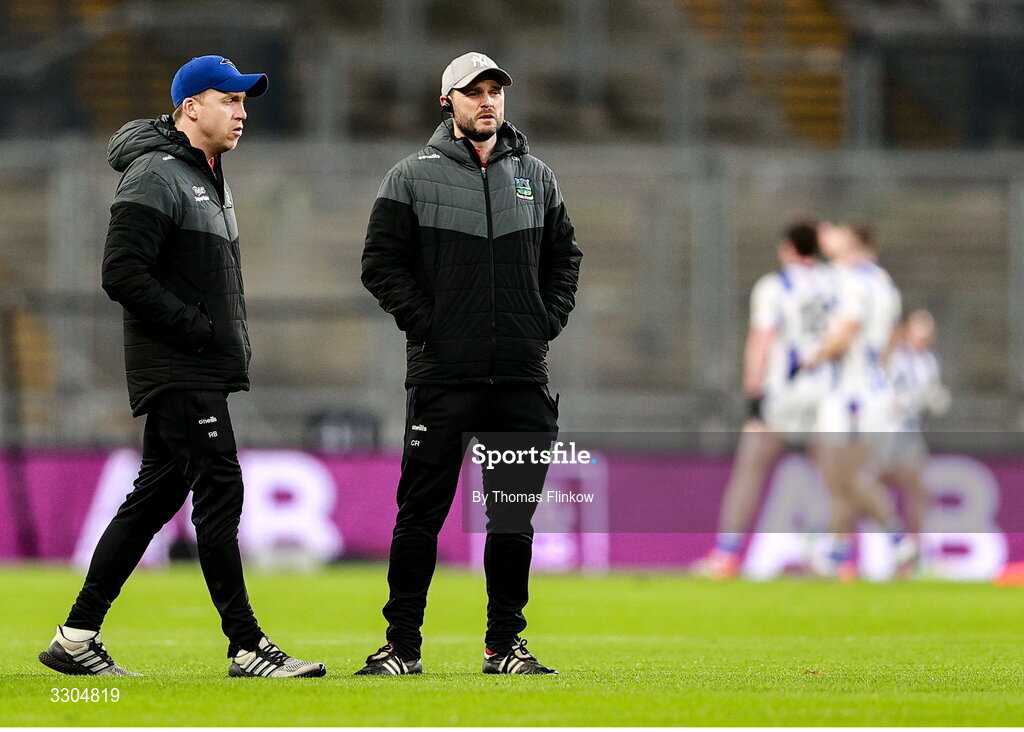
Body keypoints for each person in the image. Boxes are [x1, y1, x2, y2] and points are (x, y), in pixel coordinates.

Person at [39, 55, 325, 679]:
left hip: (193, 364)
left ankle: (76, 635)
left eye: (245, 102)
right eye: (230, 100)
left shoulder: (205, 175)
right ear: (191, 107)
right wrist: (194, 328)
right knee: (221, 489)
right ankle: (247, 647)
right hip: (178, 365)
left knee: (153, 498)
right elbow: (121, 273)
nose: (243, 112)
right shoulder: (156, 174)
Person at [359, 51, 582, 675]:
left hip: (519, 377)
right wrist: (432, 328)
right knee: (421, 518)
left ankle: (504, 645)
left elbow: (566, 259)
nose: (488, 100)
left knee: (511, 522)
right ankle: (401, 646)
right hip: (442, 379)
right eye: (473, 91)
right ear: (447, 102)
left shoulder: (537, 177)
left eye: (495, 91)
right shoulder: (410, 176)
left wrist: (543, 322)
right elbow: (380, 265)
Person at [696, 219, 832, 579]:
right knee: (834, 479)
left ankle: (726, 556)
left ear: (787, 247)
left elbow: (762, 339)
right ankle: (831, 557)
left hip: (784, 393)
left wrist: (753, 390)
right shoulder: (835, 283)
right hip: (826, 392)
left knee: (749, 472)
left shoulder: (775, 286)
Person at [804, 222, 914, 581]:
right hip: (869, 389)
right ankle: (837, 555)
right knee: (839, 479)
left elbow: (847, 331)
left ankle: (898, 538)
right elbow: (892, 337)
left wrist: (814, 356)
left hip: (851, 395)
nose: (826, 238)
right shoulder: (883, 281)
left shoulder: (853, 280)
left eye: (834, 232)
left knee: (845, 476)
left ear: (852, 240)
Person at [876, 309, 950, 555]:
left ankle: (914, 551)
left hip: (909, 432)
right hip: (883, 431)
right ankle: (836, 539)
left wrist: (934, 399)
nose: (924, 335)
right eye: (919, 328)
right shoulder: (894, 355)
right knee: (865, 487)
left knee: (918, 491)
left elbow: (926, 397)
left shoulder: (930, 361)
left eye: (928, 330)